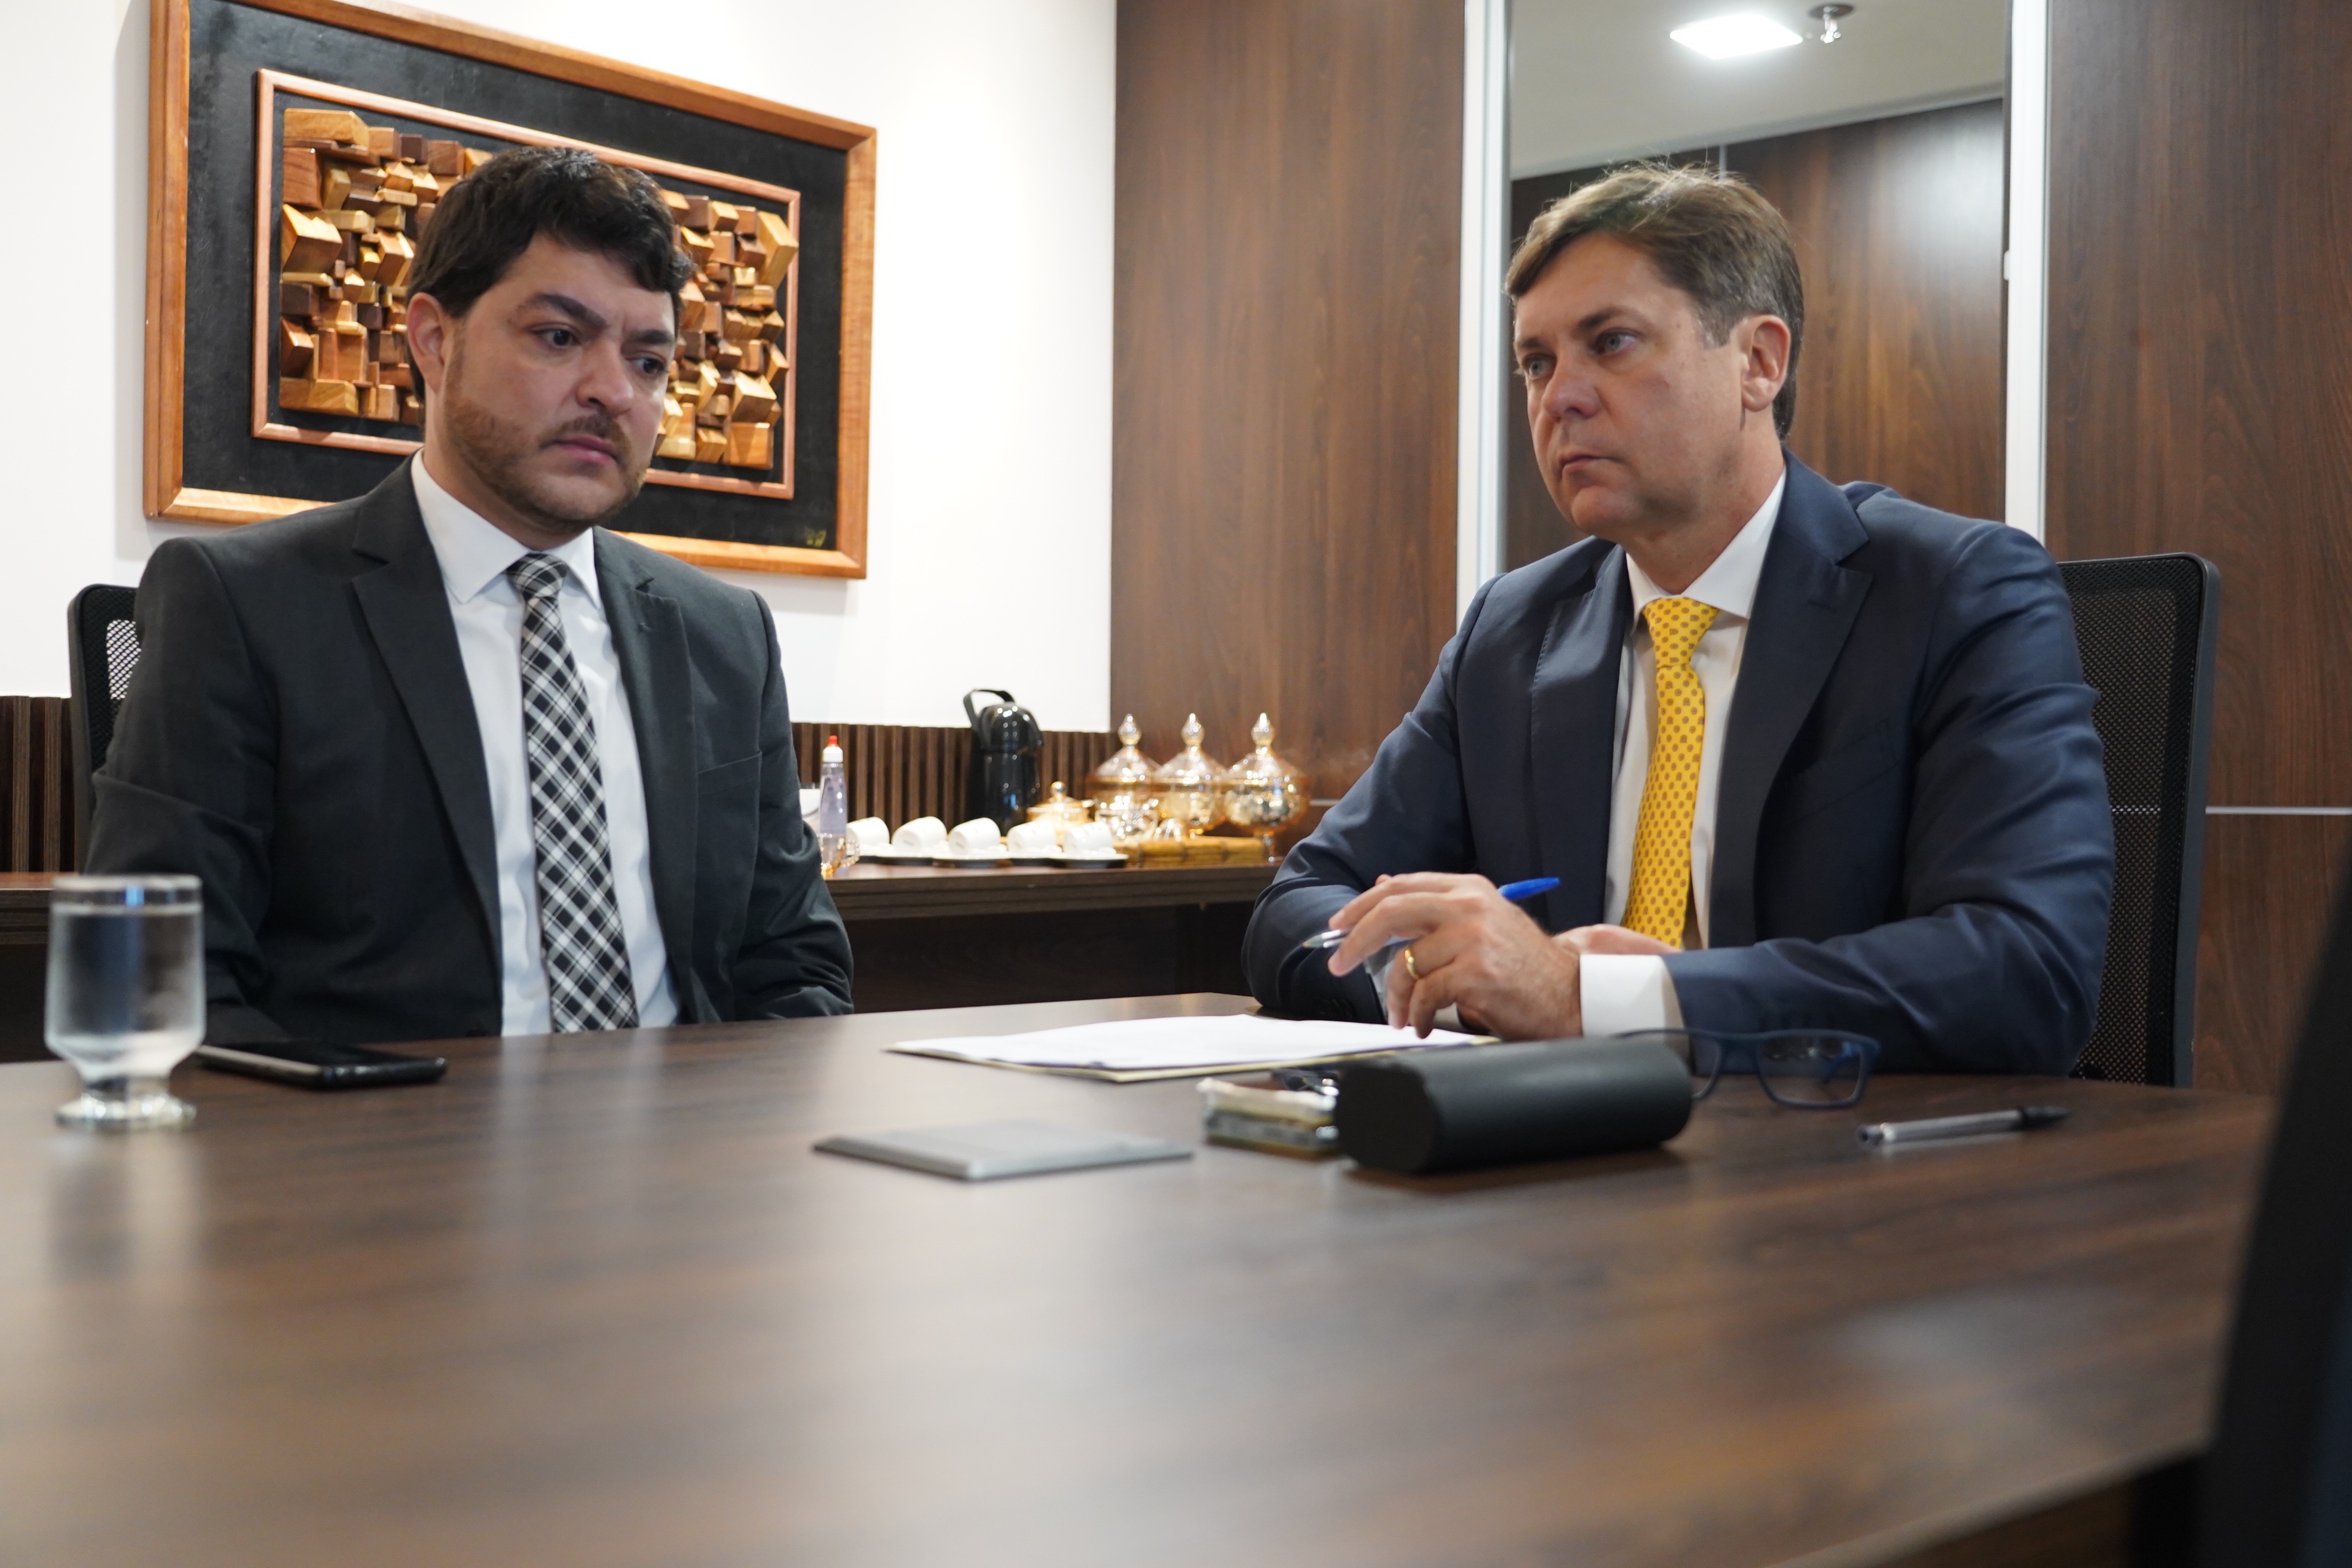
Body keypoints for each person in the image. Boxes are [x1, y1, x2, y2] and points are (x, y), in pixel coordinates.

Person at [1243, 163, 2111, 1074]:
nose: (1559, 397)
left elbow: (2027, 969)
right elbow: (1299, 907)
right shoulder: (1512, 632)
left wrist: (1596, 1000)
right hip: (1552, 1135)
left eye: (1611, 343)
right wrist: (1451, 980)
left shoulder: (1956, 592)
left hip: (1828, 1137)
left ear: (1759, 363)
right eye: (1537, 363)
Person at [87, 146, 853, 1045]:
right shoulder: (245, 605)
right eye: (559, 337)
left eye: (649, 361)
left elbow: (794, 965)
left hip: (687, 1125)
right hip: (381, 1125)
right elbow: (158, 984)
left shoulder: (724, 634)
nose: (613, 391)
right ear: (434, 340)